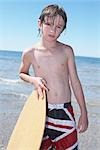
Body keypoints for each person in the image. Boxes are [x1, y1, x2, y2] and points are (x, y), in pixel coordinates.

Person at [19, 4, 88, 150]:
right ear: (40, 23)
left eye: (59, 27)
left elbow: (75, 82)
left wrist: (84, 112)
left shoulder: (66, 51)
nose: (53, 30)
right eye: (49, 24)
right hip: (41, 112)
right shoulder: (30, 52)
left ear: (63, 29)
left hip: (64, 112)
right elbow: (22, 73)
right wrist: (34, 80)